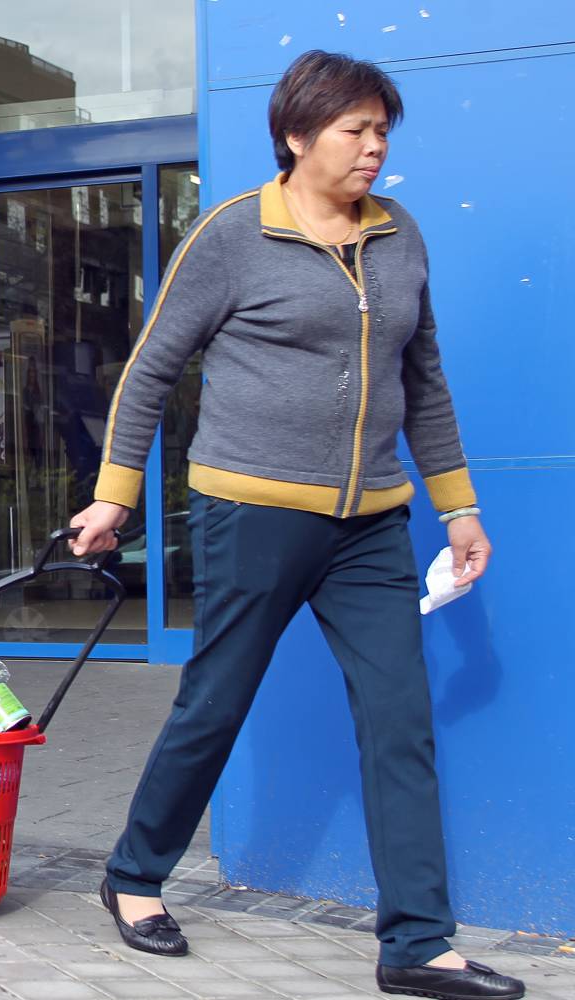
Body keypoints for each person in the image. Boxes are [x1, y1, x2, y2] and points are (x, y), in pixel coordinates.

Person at [69, 51, 520, 1000]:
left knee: (401, 724)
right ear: (296, 135)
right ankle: (134, 875)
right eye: (356, 130)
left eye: (382, 131)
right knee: (216, 704)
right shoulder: (233, 235)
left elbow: (422, 380)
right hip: (255, 511)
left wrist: (459, 506)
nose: (374, 148)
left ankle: (416, 946)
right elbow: (152, 368)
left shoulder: (400, 236)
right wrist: (116, 494)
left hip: (371, 525)